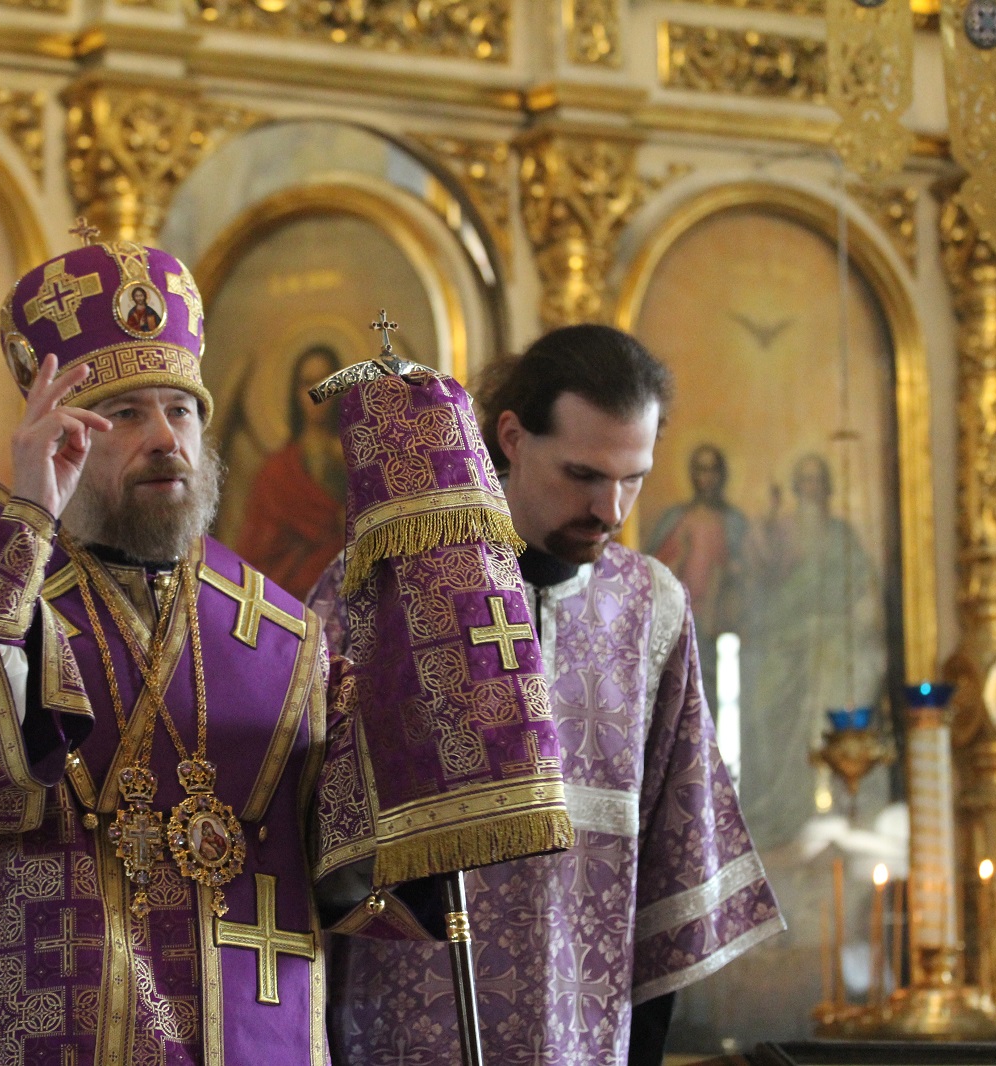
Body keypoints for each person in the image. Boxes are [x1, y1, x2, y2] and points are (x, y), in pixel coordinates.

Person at [0, 238, 564, 1064]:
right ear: (59, 436)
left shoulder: (284, 636)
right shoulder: (0, 593)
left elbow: (357, 851)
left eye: (180, 411)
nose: (164, 439)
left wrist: (435, 641)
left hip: (255, 1029)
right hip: (63, 1023)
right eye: (125, 414)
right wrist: (28, 516)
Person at [309, 324, 782, 1066]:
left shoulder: (652, 608)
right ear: (512, 437)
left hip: (582, 1040)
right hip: (405, 1031)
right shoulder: (380, 581)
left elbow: (673, 861)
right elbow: (311, 829)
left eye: (633, 478)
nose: (612, 509)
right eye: (584, 474)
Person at [740, 452, 884, 849]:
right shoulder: (783, 530)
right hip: (785, 643)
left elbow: (862, 584)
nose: (810, 489)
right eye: (803, 481)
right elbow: (763, 577)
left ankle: (836, 809)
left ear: (826, 488)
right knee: (771, 713)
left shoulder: (841, 534)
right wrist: (767, 526)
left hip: (833, 643)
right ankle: (783, 810)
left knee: (829, 709)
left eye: (817, 480)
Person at [234, 345, 349, 598]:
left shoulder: (357, 460)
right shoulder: (277, 473)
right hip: (288, 603)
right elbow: (256, 556)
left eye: (327, 382)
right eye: (308, 383)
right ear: (296, 392)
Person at [646, 443, 748, 695]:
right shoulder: (676, 518)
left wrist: (732, 575)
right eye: (702, 470)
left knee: (715, 689)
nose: (707, 478)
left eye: (713, 470)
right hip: (680, 618)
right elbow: (654, 569)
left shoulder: (734, 521)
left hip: (719, 619)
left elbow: (750, 574)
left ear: (721, 475)